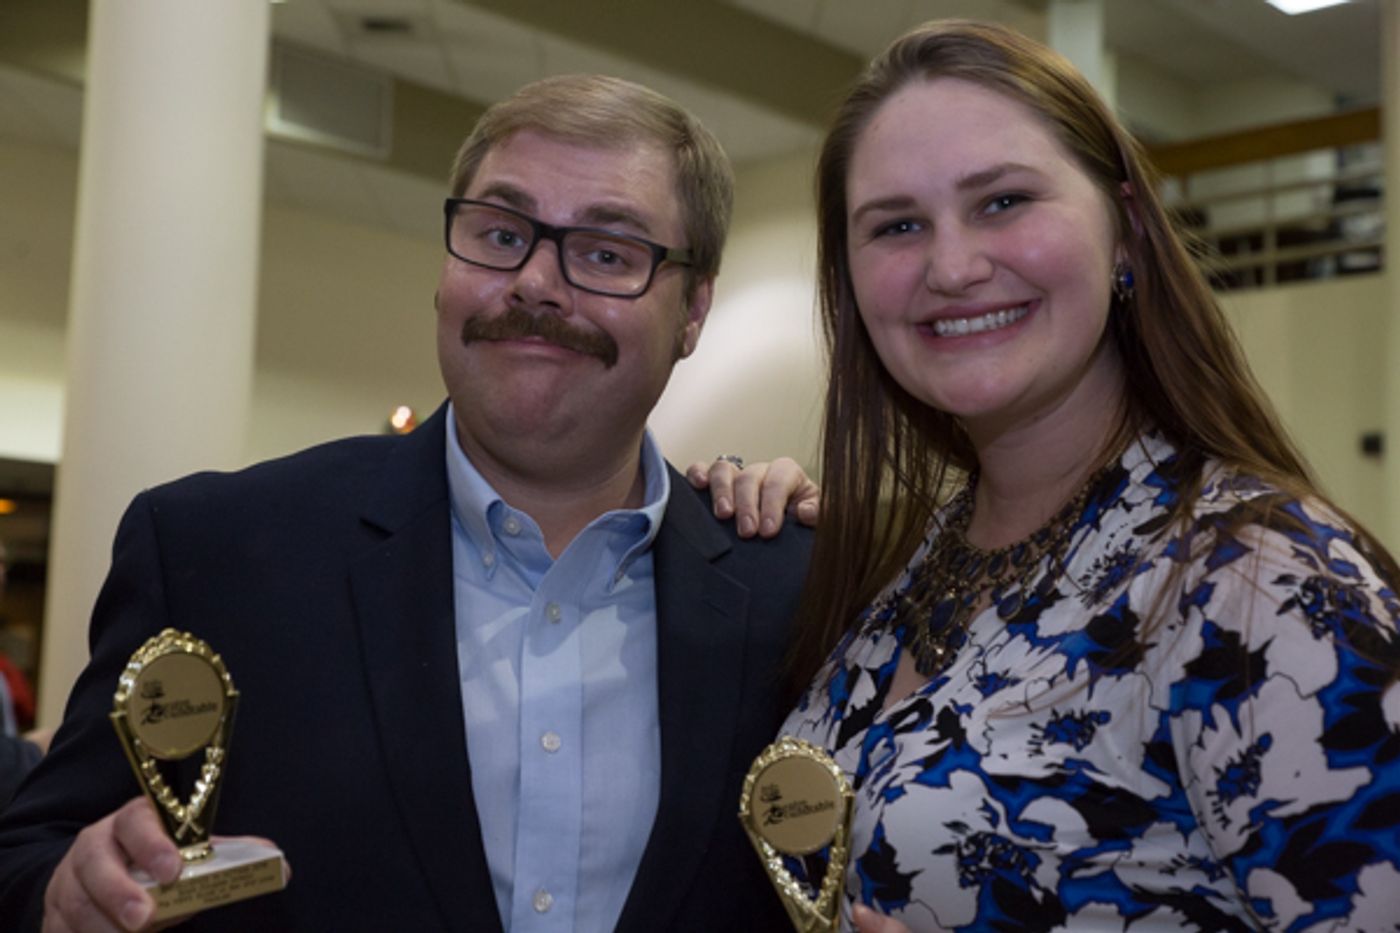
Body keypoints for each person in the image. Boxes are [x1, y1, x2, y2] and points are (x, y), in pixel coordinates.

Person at [0, 74, 815, 933]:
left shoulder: (796, 595)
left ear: (694, 310)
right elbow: (29, 853)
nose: (536, 281)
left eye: (607, 253)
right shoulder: (213, 553)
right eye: (501, 234)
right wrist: (64, 892)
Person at [774, 20, 1400, 933]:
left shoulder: (1261, 578)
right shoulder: (918, 566)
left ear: (1126, 232)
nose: (952, 266)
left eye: (1003, 201)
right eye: (898, 225)